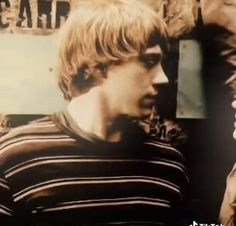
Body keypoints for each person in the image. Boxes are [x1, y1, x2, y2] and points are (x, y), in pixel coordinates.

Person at [0, 0, 189, 225]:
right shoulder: (15, 159)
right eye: (149, 61)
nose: (163, 78)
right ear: (96, 65)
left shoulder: (170, 165)